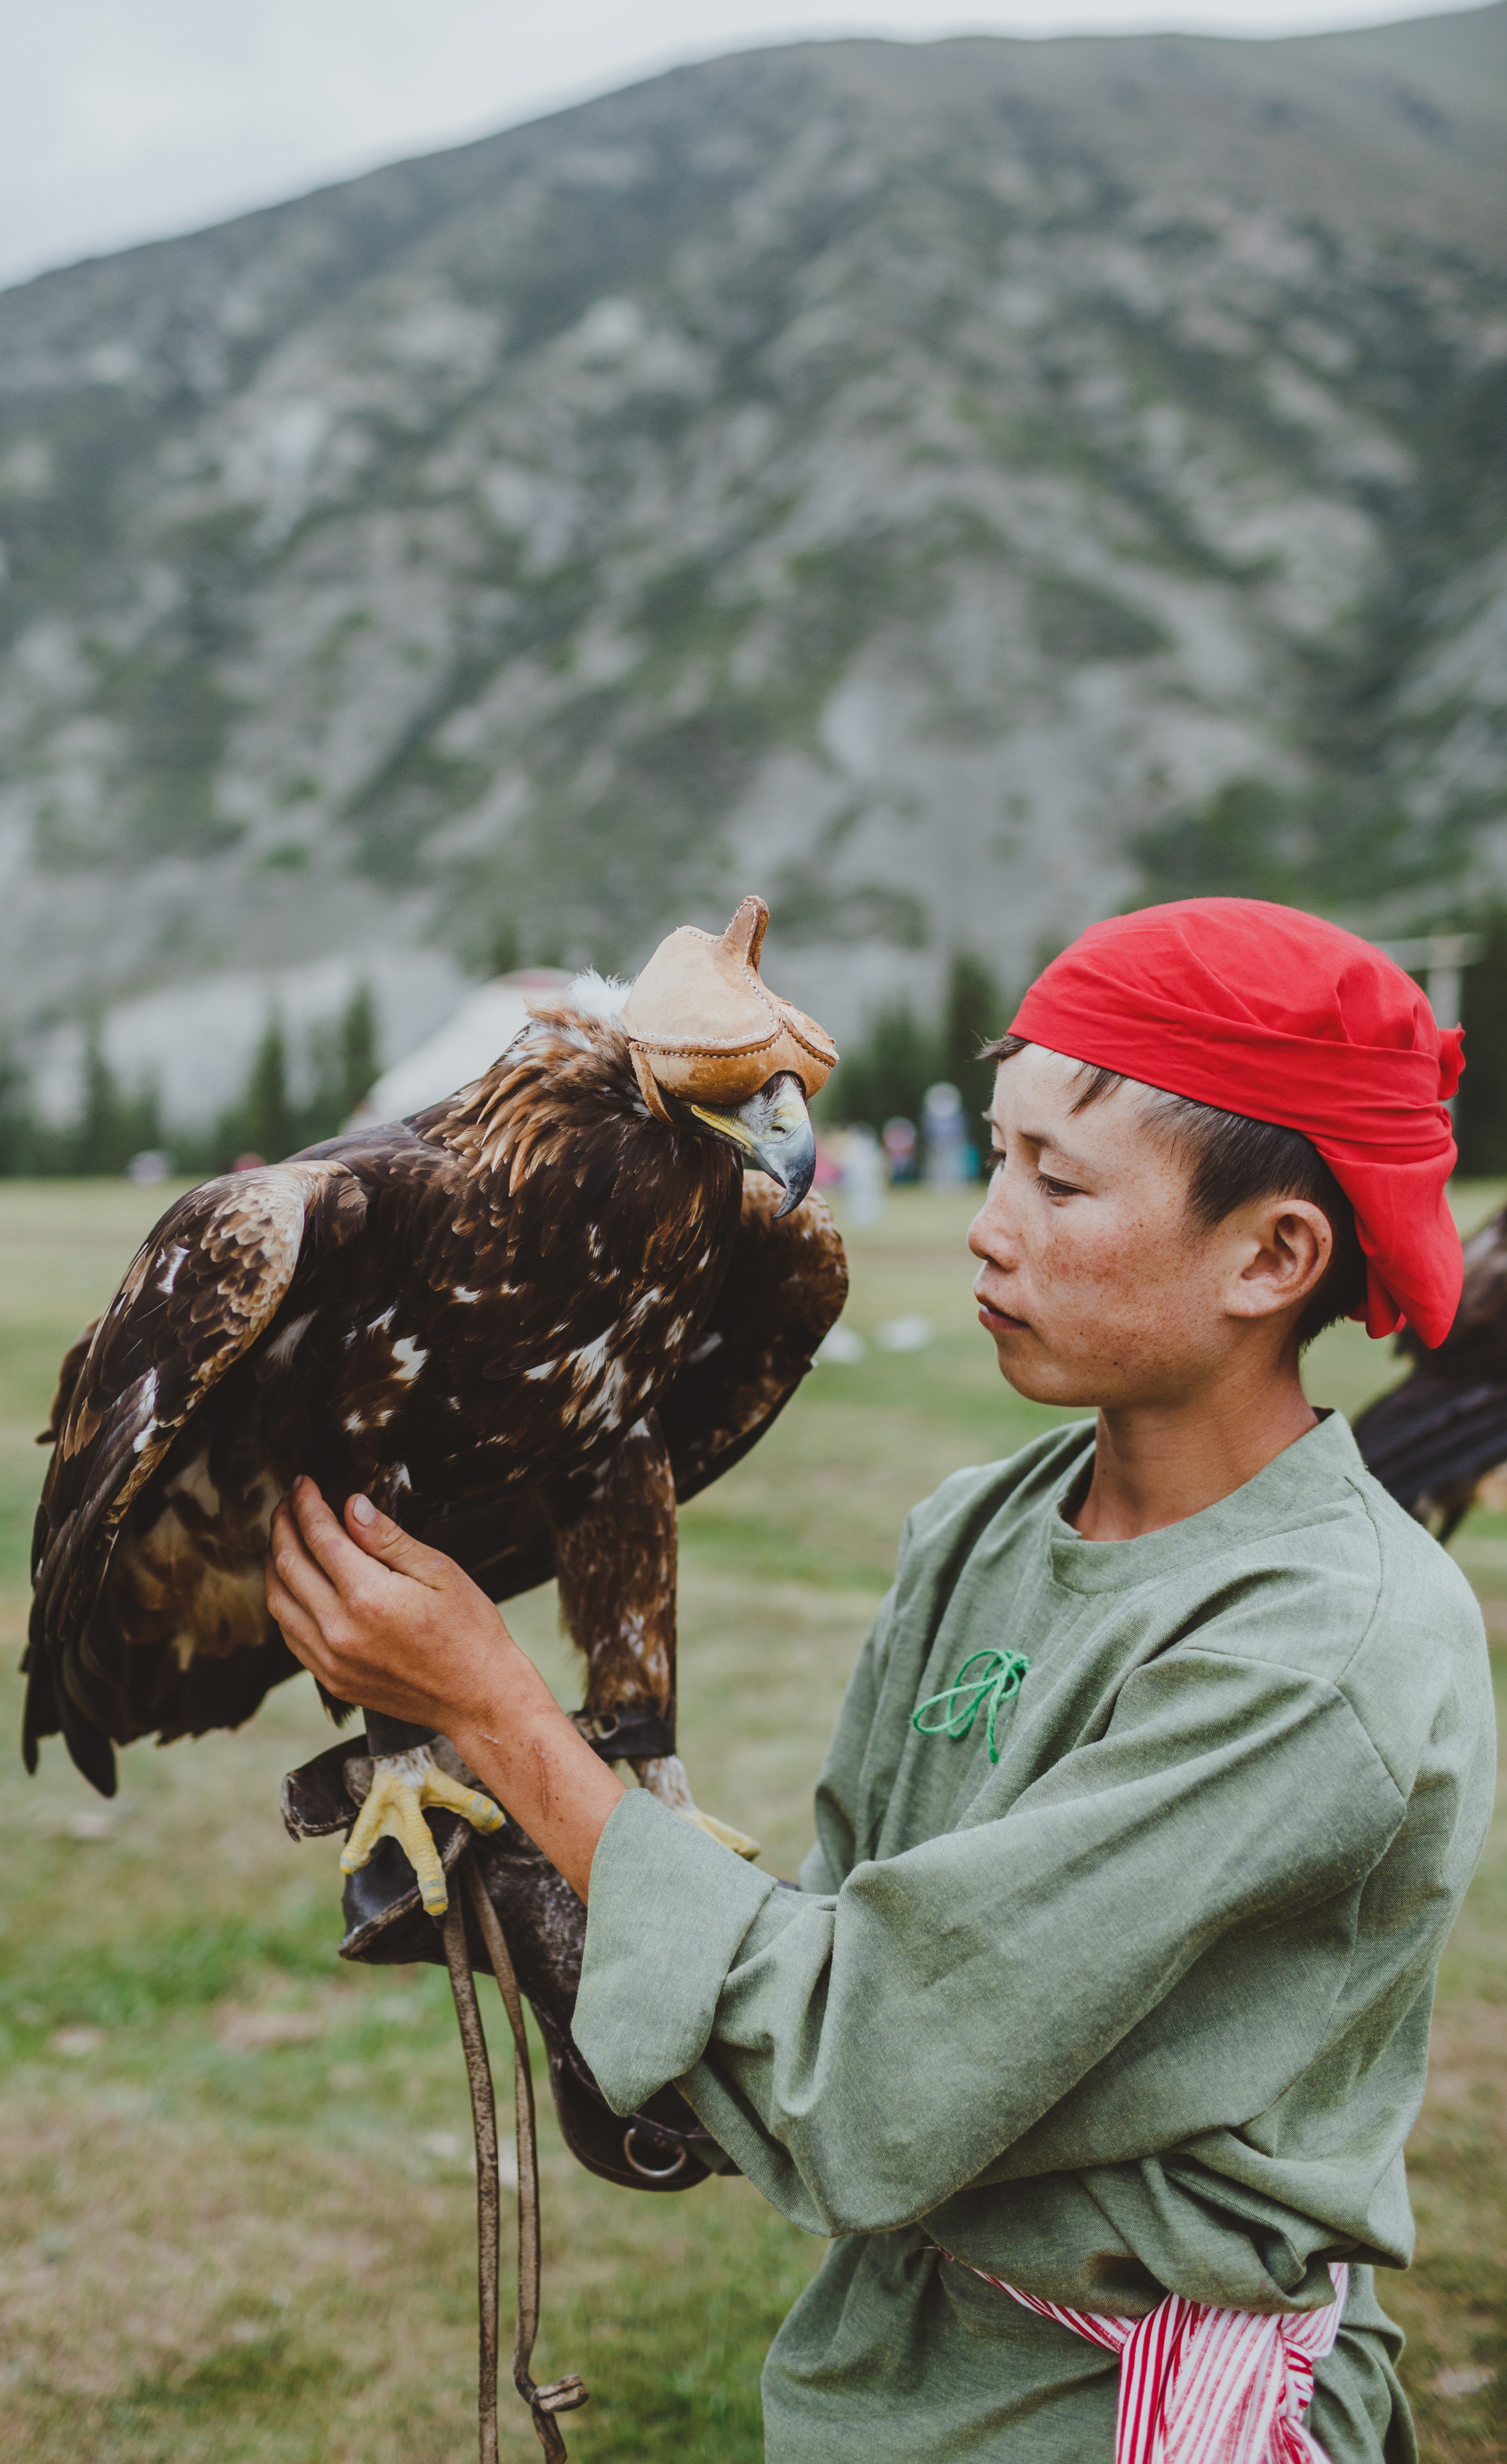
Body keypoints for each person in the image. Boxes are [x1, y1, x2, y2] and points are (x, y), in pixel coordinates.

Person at [264, 898, 1495, 2463]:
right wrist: (583, 1933)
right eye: (996, 1154)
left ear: (1271, 1256)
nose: (989, 1222)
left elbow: (866, 2081)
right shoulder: (976, 1529)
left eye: (1057, 1180)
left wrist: (504, 1722)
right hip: (881, 2381)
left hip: (1123, 2415)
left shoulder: (1318, 1649)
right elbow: (832, 1971)